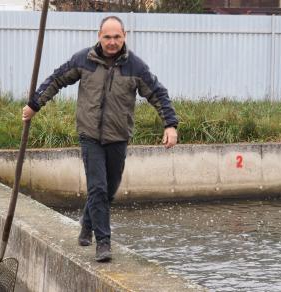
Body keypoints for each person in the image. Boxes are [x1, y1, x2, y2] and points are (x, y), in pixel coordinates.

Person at [22, 15, 178, 262]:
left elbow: (158, 94)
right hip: (90, 135)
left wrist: (170, 124)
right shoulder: (84, 60)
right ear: (99, 36)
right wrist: (34, 104)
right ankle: (103, 243)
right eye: (107, 37)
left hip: (118, 137)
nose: (112, 42)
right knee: (97, 187)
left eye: (117, 37)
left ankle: (87, 222)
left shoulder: (135, 67)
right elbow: (56, 79)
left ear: (124, 36)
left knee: (109, 190)